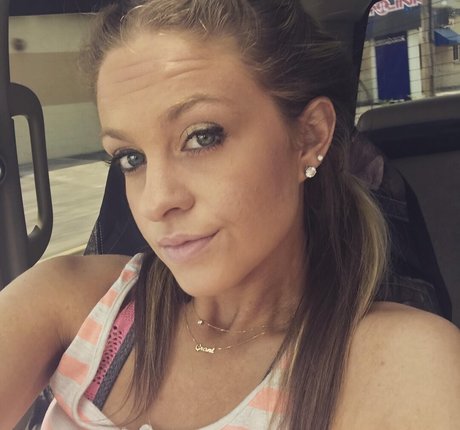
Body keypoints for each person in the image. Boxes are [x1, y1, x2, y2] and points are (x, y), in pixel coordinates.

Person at [1, 1, 459, 429]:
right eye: (130, 158)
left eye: (202, 137)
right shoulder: (69, 302)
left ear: (309, 137)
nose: (156, 201)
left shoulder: (407, 366)